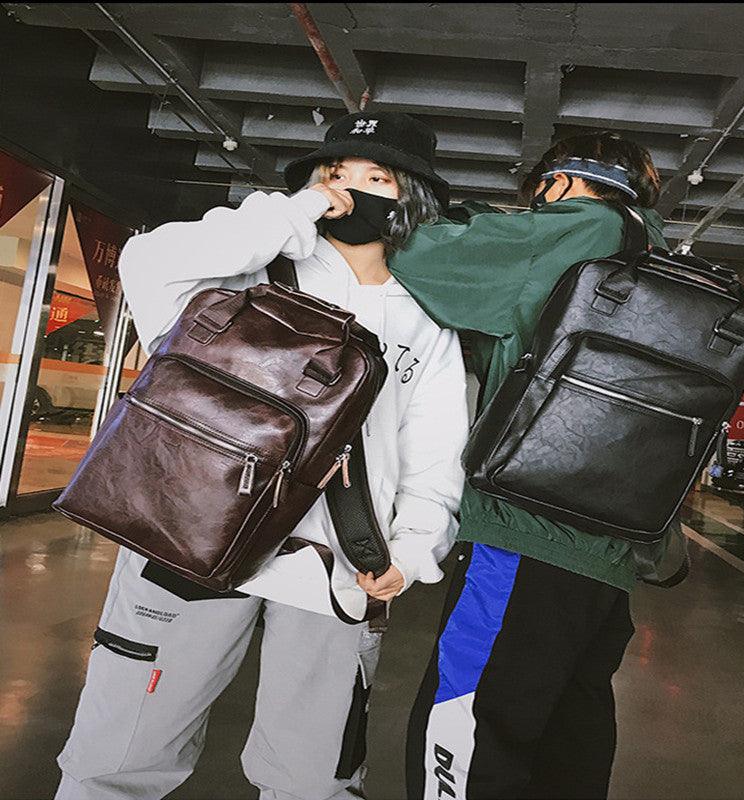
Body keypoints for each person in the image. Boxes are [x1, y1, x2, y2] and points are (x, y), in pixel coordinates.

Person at [54, 111, 469, 800]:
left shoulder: (423, 317)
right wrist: (293, 213)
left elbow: (433, 444)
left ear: (411, 198)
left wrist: (415, 543)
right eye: (333, 174)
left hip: (334, 560)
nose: (349, 190)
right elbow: (147, 261)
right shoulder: (247, 269)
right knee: (121, 749)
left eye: (376, 178)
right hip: (185, 533)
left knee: (312, 775)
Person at [388, 131, 666, 800]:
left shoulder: (579, 229)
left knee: (470, 730)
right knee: (567, 743)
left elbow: (422, 255)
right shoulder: (652, 255)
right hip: (608, 557)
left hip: (525, 534)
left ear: (561, 181)